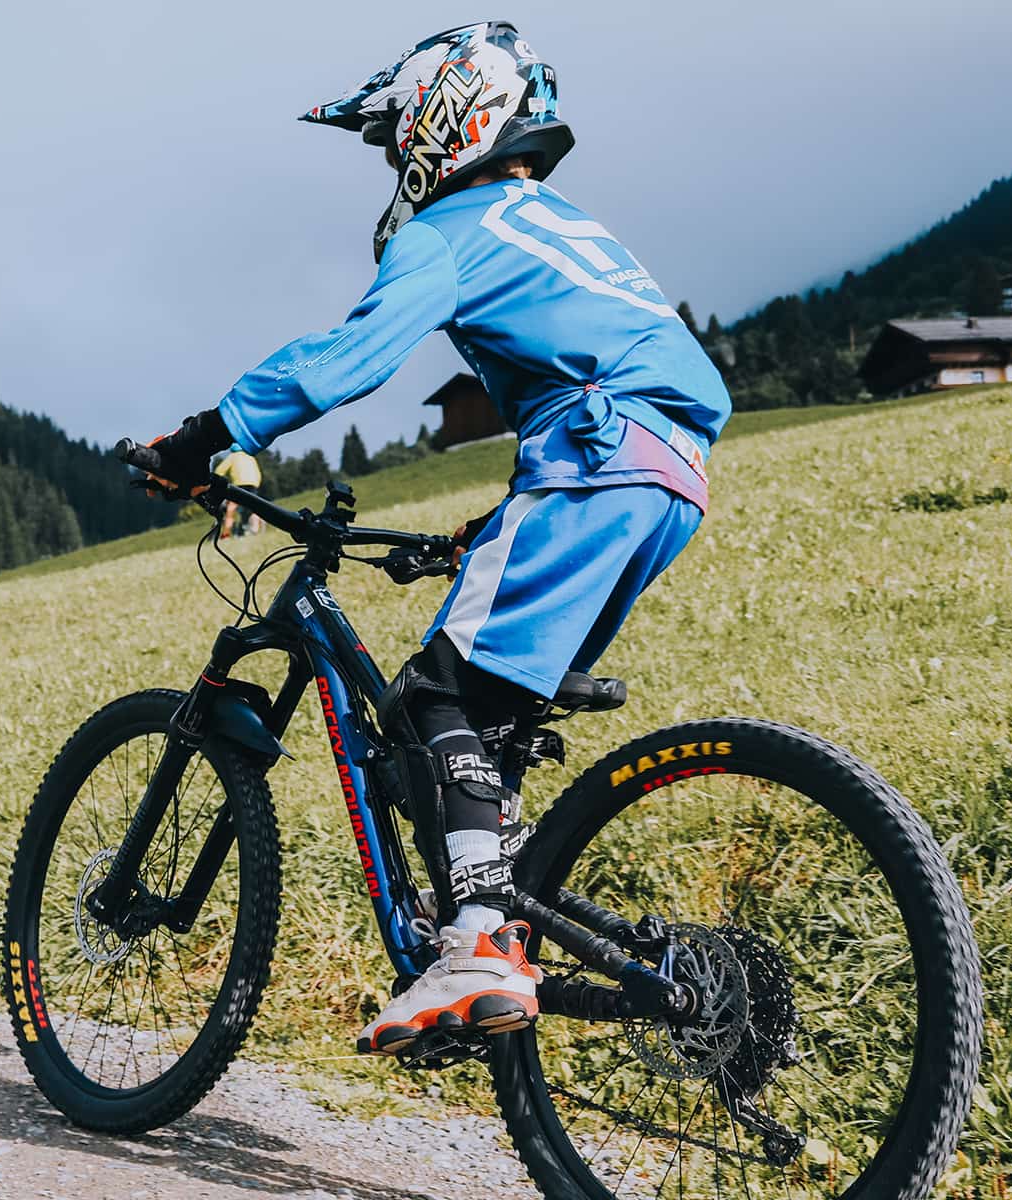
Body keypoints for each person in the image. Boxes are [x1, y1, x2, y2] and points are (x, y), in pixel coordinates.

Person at [131, 22, 731, 1056]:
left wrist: (206, 435)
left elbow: (348, 359)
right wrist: (490, 530)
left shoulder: (453, 226)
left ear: (438, 117)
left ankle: (478, 944)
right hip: (666, 474)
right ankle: (496, 907)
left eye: (394, 135)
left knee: (432, 699)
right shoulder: (557, 223)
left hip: (595, 459)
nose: (394, 157)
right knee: (484, 726)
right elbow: (600, 374)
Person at [213, 449, 265, 537]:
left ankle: (225, 535)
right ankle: (254, 530)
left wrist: (218, 482)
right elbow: (258, 473)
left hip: (239, 484)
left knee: (231, 509)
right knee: (254, 508)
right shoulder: (250, 457)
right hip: (253, 484)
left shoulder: (233, 456)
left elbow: (219, 471)